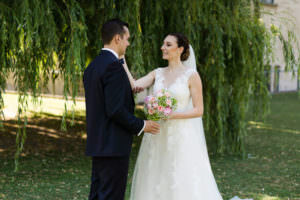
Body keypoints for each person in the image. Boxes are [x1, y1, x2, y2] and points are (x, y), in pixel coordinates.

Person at [124, 33, 224, 199]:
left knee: (180, 178)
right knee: (155, 176)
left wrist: (172, 115)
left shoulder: (191, 75)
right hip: (157, 135)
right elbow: (134, 85)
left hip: (181, 137)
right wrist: (122, 61)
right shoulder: (157, 73)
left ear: (180, 49)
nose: (163, 47)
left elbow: (199, 110)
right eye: (163, 44)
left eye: (168, 44)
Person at [83, 18, 160, 200]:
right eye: (127, 39)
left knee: (97, 194)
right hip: (113, 145)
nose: (128, 43)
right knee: (111, 195)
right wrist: (142, 124)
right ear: (117, 38)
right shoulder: (113, 67)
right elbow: (115, 110)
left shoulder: (92, 66)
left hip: (99, 143)